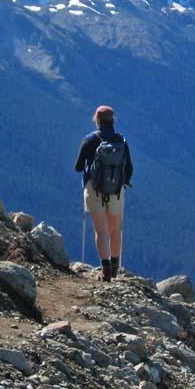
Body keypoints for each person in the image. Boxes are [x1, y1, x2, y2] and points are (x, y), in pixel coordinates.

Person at [74, 106, 133, 282]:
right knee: (115, 230)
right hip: (116, 191)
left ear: (97, 120)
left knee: (101, 230)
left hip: (94, 189)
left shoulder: (89, 140)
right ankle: (115, 269)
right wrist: (121, 182)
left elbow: (78, 167)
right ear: (112, 121)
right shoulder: (121, 141)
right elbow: (129, 168)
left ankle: (106, 271)